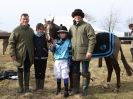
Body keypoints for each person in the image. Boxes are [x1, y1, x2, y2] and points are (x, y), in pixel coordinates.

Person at [69, 9, 96, 96]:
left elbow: (92, 39)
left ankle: (85, 90)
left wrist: (89, 51)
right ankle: (76, 89)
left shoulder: (87, 26)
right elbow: (69, 39)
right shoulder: (71, 27)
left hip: (85, 54)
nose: (77, 17)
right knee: (75, 72)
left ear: (81, 16)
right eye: (75, 15)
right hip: (74, 54)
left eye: (79, 15)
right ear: (73, 16)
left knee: (85, 72)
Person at [8, 13, 34, 93]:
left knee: (27, 70)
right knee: (19, 70)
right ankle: (20, 88)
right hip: (19, 54)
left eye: (26, 19)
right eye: (23, 19)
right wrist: (12, 54)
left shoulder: (31, 30)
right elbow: (11, 42)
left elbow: (34, 42)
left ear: (28, 20)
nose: (25, 20)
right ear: (20, 20)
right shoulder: (16, 30)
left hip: (29, 55)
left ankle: (27, 87)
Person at [50, 24, 71, 98]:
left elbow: (71, 50)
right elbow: (52, 49)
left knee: (65, 74)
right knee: (57, 74)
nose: (62, 34)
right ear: (58, 34)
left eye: (63, 33)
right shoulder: (55, 41)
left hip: (65, 60)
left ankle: (66, 90)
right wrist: (52, 47)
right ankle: (58, 88)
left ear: (66, 34)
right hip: (57, 61)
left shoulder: (68, 42)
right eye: (61, 33)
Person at [34, 23, 48, 91]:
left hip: (43, 57)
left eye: (42, 29)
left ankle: (41, 87)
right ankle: (37, 86)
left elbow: (49, 41)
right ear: (36, 29)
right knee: (37, 71)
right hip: (36, 57)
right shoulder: (34, 36)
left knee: (42, 71)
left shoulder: (45, 36)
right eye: (39, 29)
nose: (40, 30)